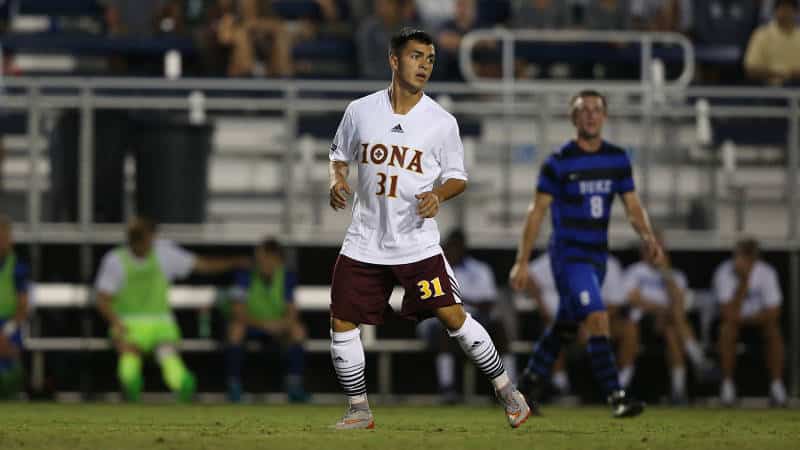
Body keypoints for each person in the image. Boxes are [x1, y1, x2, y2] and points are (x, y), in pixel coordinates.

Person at [328, 27, 530, 430]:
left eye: (431, 59)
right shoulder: (360, 110)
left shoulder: (441, 121)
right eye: (417, 56)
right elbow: (338, 154)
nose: (424, 65)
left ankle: (509, 392)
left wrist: (439, 194)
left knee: (454, 318)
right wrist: (337, 181)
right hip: (365, 238)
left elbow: (459, 177)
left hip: (415, 243)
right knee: (341, 321)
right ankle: (359, 410)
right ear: (394, 60)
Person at [509, 89, 664, 418]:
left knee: (566, 325)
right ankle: (616, 395)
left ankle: (524, 391)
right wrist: (522, 261)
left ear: (604, 116)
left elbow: (632, 204)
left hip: (598, 258)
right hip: (569, 256)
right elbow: (536, 212)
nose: (591, 115)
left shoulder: (617, 158)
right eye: (584, 110)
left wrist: (648, 236)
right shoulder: (559, 161)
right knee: (597, 317)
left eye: (596, 109)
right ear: (573, 118)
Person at [94, 216, 250, 402]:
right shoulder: (115, 260)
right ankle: (132, 389)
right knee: (129, 356)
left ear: (152, 237)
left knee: (167, 354)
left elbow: (202, 265)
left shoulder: (163, 253)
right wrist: (115, 323)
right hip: (128, 322)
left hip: (160, 321)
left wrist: (234, 262)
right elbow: (103, 299)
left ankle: (182, 387)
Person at [418, 229, 515, 404]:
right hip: (439, 321)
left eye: (457, 247)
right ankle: (447, 389)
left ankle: (508, 386)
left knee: (499, 328)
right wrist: (460, 303)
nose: (453, 251)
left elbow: (488, 302)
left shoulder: (480, 269)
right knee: (445, 327)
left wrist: (458, 301)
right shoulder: (434, 269)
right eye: (450, 247)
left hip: (475, 317)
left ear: (464, 248)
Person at [622, 231, 713, 403]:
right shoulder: (635, 271)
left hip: (669, 322)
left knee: (672, 331)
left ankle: (678, 391)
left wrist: (665, 272)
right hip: (643, 321)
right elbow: (633, 299)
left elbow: (680, 300)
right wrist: (661, 309)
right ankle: (697, 358)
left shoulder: (675, 275)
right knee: (674, 315)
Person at [526, 253, 626, 397]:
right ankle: (561, 387)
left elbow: (615, 304)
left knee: (626, 329)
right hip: (563, 321)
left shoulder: (607, 263)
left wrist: (589, 321)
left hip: (597, 321)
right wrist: (543, 308)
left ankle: (618, 387)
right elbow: (528, 275)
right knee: (553, 330)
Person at [224, 238, 309, 403]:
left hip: (277, 325)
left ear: (278, 259)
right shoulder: (244, 274)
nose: (263, 263)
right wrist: (263, 324)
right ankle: (234, 386)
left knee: (298, 330)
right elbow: (237, 311)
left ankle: (294, 386)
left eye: (268, 259)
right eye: (260, 258)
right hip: (252, 324)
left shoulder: (286, 277)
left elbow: (292, 313)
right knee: (235, 329)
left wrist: (281, 324)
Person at [713, 237, 786, 407]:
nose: (743, 259)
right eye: (741, 255)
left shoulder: (767, 272)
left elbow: (774, 313)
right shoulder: (724, 272)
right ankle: (727, 387)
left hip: (758, 322)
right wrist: (744, 282)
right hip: (734, 323)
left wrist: (747, 318)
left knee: (773, 331)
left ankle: (777, 387)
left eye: (748, 255)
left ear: (755, 257)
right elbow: (727, 313)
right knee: (726, 330)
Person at [0, 215, 29, 400]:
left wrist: (6, 332)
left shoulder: (17, 265)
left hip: (8, 325)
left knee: (11, 370)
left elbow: (23, 305)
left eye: (5, 236)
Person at [744, 0, 800, 86]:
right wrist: (780, 74)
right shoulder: (761, 34)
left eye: (789, 9)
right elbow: (751, 69)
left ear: (796, 12)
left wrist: (793, 74)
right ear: (775, 11)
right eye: (782, 9)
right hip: (769, 89)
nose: (785, 13)